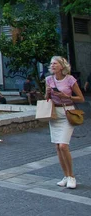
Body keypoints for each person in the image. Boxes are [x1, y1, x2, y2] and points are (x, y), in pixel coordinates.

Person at [45, 56, 84, 189]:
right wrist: (47, 93)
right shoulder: (48, 79)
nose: (53, 65)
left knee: (63, 146)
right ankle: (66, 176)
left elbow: (81, 98)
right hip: (55, 114)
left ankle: (72, 176)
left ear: (62, 66)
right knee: (57, 147)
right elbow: (46, 100)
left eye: (55, 63)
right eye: (51, 64)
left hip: (68, 113)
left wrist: (67, 97)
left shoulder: (70, 79)